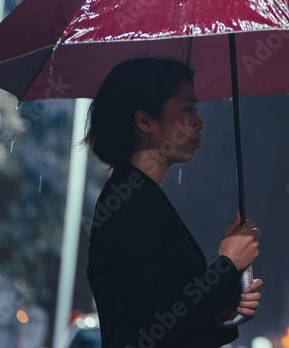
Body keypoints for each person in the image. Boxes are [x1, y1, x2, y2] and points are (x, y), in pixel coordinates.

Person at [85, 57, 262, 348]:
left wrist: (220, 311)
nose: (200, 122)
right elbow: (163, 325)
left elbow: (169, 314)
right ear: (144, 120)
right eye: (188, 109)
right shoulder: (130, 203)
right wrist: (227, 265)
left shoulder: (142, 196)